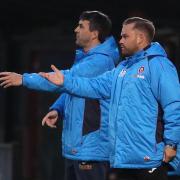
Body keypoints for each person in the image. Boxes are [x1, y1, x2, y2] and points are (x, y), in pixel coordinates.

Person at [17, 17, 180, 180]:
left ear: (140, 38)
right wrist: (65, 82)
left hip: (149, 159)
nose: (120, 40)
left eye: (125, 36)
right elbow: (94, 85)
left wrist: (172, 143)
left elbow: (174, 105)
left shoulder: (159, 65)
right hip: (123, 161)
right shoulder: (121, 69)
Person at [0, 11, 120, 180]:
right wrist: (59, 108)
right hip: (79, 149)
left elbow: (64, 80)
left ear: (94, 33)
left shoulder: (99, 61)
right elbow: (75, 87)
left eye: (81, 26)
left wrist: (23, 79)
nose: (75, 30)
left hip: (90, 150)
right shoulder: (87, 60)